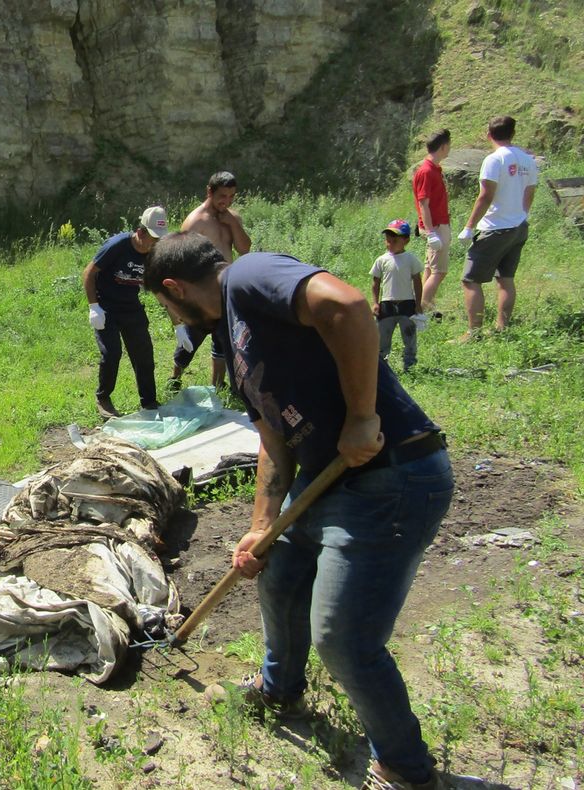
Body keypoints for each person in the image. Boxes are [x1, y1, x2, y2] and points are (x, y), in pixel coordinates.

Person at [145, 232, 454, 790]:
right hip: (323, 478)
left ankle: (405, 771)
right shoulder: (235, 340)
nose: (170, 315)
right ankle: (278, 691)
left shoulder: (247, 276)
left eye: (164, 305)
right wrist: (261, 523)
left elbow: (349, 306)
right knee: (279, 576)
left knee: (343, 638)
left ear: (174, 288)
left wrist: (362, 415)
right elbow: (272, 440)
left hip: (391, 477)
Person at [454, 115, 539, 343]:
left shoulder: (494, 160)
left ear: (488, 134)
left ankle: (474, 332)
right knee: (506, 278)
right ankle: (502, 327)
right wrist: (522, 214)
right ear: (513, 133)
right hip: (518, 226)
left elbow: (486, 195)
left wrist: (469, 226)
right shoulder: (528, 160)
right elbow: (530, 193)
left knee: (470, 280)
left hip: (495, 227)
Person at [82, 206, 168, 419]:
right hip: (106, 307)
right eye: (153, 238)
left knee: (144, 355)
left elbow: (157, 288)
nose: (156, 243)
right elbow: (89, 273)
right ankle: (103, 398)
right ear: (141, 232)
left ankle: (149, 403)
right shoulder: (117, 245)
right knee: (112, 354)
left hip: (131, 307)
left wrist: (178, 325)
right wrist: (94, 307)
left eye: (160, 239)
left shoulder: (154, 253)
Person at [172, 171, 251, 391]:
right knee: (191, 338)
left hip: (226, 289)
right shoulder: (196, 222)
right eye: (222, 196)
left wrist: (233, 224)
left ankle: (218, 385)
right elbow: (181, 259)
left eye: (232, 196)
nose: (227, 201)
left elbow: (244, 249)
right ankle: (175, 377)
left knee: (224, 339)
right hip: (201, 292)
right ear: (209, 191)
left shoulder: (231, 217)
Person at [371, 220, 425, 373]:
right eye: (388, 240)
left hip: (407, 305)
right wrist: (375, 303)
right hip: (387, 305)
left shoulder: (410, 259)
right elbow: (375, 282)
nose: (390, 244)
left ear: (406, 240)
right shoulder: (382, 260)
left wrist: (418, 303)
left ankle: (410, 366)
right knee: (382, 339)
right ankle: (382, 369)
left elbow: (417, 281)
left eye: (394, 240)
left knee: (409, 337)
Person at [412, 129, 452, 316]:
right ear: (443, 147)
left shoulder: (434, 169)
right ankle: (421, 308)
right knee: (439, 271)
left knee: (430, 269)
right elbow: (423, 203)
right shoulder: (427, 171)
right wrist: (431, 232)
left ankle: (425, 305)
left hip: (437, 225)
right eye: (449, 145)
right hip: (436, 226)